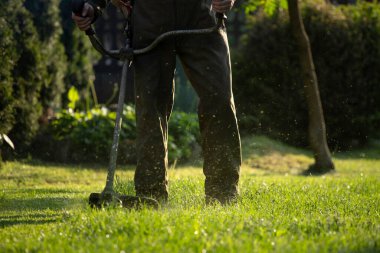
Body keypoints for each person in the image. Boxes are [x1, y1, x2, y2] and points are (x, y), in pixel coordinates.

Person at [73, 0, 241, 204]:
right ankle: (150, 194)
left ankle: (223, 193)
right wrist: (92, 5)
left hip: (202, 17)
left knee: (219, 99)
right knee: (150, 107)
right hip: (150, 17)